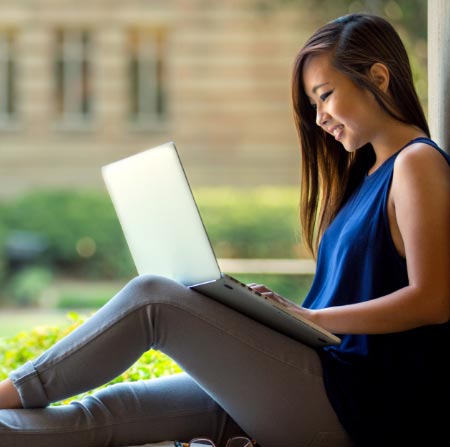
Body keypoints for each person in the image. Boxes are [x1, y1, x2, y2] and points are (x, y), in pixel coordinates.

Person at [0, 12, 449, 447]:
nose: (319, 118)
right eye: (313, 104)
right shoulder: (368, 176)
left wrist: (311, 318)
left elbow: (434, 300)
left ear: (379, 77)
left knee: (153, 298)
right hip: (310, 383)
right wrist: (266, 317)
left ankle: (11, 389)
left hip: (356, 406)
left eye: (326, 95)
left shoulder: (417, 163)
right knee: (105, 412)